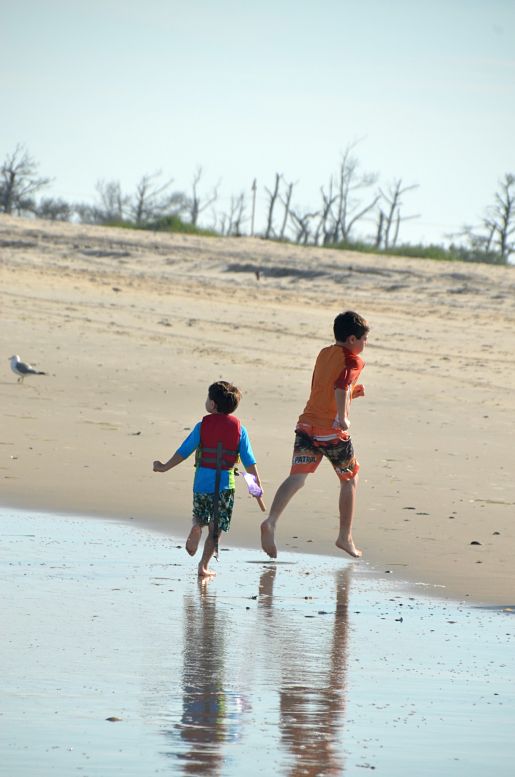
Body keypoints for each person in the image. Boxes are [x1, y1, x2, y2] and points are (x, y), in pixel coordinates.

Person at [261, 311, 369, 560]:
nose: (365, 345)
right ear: (352, 339)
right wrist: (343, 417)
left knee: (297, 478)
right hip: (331, 432)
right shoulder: (354, 361)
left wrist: (353, 393)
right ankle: (345, 537)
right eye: (364, 339)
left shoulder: (324, 353)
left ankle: (272, 521)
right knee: (350, 479)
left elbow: (324, 387)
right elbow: (340, 385)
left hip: (306, 425)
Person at [153, 381, 262, 578]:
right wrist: (256, 487)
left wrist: (164, 466)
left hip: (202, 482)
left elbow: (184, 451)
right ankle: (203, 566)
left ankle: (196, 526)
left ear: (212, 405)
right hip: (225, 485)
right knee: (216, 528)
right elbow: (249, 462)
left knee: (200, 515)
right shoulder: (240, 431)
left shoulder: (202, 426)